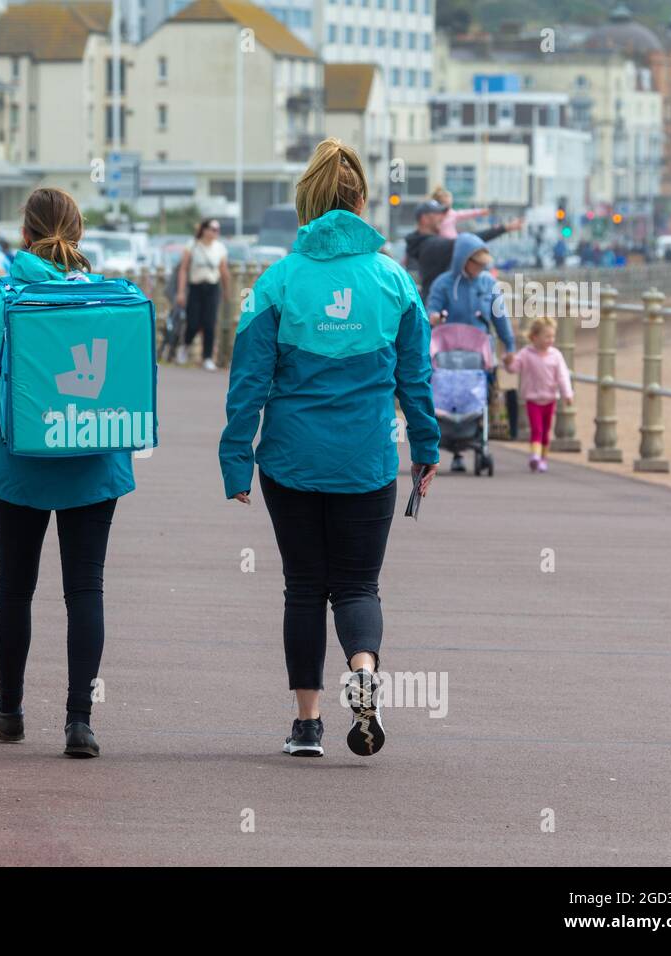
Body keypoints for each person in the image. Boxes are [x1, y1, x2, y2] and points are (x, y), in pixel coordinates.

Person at [219, 139, 440, 759]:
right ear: (362, 201)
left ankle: (307, 723)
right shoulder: (394, 280)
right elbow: (416, 379)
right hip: (368, 459)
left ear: (305, 204)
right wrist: (425, 448)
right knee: (359, 585)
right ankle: (364, 672)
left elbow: (248, 382)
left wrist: (236, 457)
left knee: (303, 586)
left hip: (290, 461)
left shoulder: (277, 281)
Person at [0, 187, 134, 759]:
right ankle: (79, 722)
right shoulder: (110, 298)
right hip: (92, 461)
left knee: (16, 586)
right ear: (77, 235)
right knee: (86, 588)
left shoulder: (2, 297)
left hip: (20, 465)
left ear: (25, 236)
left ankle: (9, 709)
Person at [426, 234, 516, 473]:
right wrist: (433, 316)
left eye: (483, 264)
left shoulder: (488, 284)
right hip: (448, 350)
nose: (480, 268)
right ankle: (455, 450)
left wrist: (510, 347)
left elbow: (501, 318)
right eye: (476, 263)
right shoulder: (444, 283)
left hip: (479, 352)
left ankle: (477, 440)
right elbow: (431, 308)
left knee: (478, 395)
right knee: (449, 392)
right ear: (462, 260)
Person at [405, 200, 522, 298]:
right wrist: (504, 228)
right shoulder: (431, 245)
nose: (442, 217)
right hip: (437, 308)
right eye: (437, 214)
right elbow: (468, 242)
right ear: (424, 219)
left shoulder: (420, 244)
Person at [503, 317, 574, 472]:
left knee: (546, 431)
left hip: (550, 399)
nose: (550, 340)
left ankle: (543, 458)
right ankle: (535, 456)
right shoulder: (526, 353)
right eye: (547, 336)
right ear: (535, 337)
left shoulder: (555, 355)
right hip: (533, 399)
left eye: (552, 336)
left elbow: (562, 376)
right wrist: (508, 361)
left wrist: (567, 394)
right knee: (537, 429)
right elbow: (513, 368)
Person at [174, 218, 229, 370]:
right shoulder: (192, 245)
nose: (215, 232)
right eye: (212, 228)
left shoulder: (220, 248)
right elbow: (184, 269)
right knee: (193, 322)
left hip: (212, 287)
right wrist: (180, 292)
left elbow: (223, 270)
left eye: (217, 229)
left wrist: (226, 291)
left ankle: (207, 357)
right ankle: (185, 346)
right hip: (196, 287)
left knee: (209, 323)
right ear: (204, 229)